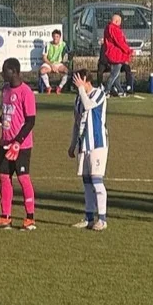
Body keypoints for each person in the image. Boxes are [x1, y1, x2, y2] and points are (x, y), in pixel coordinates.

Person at [0, 58, 37, 230]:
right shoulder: (4, 90)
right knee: (4, 177)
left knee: (23, 178)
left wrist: (18, 142)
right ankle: (5, 217)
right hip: (5, 142)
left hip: (21, 145)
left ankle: (30, 218)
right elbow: (6, 113)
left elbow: (30, 121)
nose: (2, 73)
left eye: (5, 71)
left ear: (14, 72)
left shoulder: (26, 92)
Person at [68, 70, 109, 231]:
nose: (76, 85)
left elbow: (88, 105)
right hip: (83, 145)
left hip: (98, 143)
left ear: (86, 81)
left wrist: (80, 90)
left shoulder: (98, 94)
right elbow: (76, 123)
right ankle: (89, 217)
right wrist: (72, 145)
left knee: (97, 180)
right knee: (86, 182)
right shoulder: (79, 98)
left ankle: (103, 219)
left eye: (79, 81)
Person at [102, 14, 132, 97]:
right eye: (120, 22)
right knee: (114, 74)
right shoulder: (114, 29)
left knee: (116, 74)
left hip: (111, 53)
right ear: (116, 21)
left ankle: (120, 91)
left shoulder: (108, 28)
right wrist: (128, 50)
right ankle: (106, 91)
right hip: (116, 54)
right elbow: (120, 42)